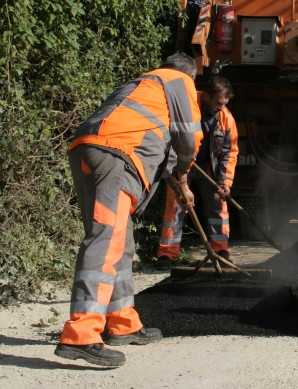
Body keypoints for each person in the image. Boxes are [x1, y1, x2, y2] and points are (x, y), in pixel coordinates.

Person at [54, 53, 202, 367]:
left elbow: (157, 141)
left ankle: (122, 323)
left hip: (89, 148)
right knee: (106, 239)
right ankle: (81, 334)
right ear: (190, 74)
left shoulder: (144, 84)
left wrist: (176, 179)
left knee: (119, 241)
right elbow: (188, 139)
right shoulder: (180, 81)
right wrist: (184, 174)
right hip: (115, 156)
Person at [155, 76, 239, 269]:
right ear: (207, 96)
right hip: (180, 166)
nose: (221, 107)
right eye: (218, 103)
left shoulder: (225, 118)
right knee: (175, 206)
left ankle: (221, 251)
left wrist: (225, 182)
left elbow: (229, 152)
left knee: (219, 205)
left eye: (225, 103)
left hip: (208, 168)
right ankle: (167, 254)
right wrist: (175, 170)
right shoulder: (187, 106)